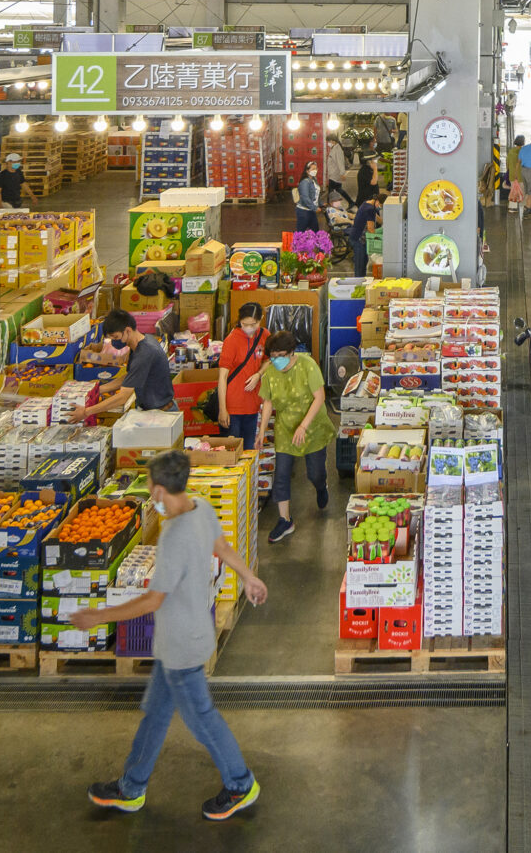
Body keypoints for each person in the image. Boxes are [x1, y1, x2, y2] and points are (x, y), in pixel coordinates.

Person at [74, 449, 268, 821]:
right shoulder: (202, 510)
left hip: (182, 646)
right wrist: (249, 576)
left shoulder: (175, 536)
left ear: (160, 490)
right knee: (156, 714)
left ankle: (241, 784)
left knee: (201, 719)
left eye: (149, 485)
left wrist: (100, 616)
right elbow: (223, 547)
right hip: (180, 638)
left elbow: (151, 600)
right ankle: (131, 788)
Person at [254, 328, 333, 542]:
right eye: (273, 357)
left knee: (314, 472)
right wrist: (262, 431)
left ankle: (321, 485)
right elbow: (268, 402)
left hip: (312, 426)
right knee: (281, 475)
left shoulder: (308, 366)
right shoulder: (271, 372)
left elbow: (319, 398)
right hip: (285, 428)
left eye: (281, 356)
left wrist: (304, 426)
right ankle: (285, 520)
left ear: (291, 352)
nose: (276, 361)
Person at [83, 310, 176, 419]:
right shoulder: (142, 341)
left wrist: (86, 412)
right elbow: (131, 376)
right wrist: (99, 390)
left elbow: (122, 397)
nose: (114, 342)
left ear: (127, 330)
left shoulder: (144, 354)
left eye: (116, 337)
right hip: (152, 411)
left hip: (162, 415)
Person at [216, 303, 268, 449]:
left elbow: (268, 360)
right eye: (245, 324)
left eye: (254, 324)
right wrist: (223, 409)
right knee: (233, 451)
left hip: (252, 405)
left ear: (261, 319)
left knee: (249, 451)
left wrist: (259, 374)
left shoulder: (264, 335)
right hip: (232, 407)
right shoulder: (232, 340)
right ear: (240, 321)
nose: (250, 328)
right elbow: (222, 377)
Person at [351, 192, 382, 278]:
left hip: (358, 238)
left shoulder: (367, 203)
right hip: (359, 240)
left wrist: (384, 223)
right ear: (377, 201)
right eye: (381, 206)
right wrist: (380, 237)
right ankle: (358, 286)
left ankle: (361, 282)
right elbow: (371, 229)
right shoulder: (370, 209)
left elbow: (376, 217)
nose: (380, 208)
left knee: (363, 264)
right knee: (360, 267)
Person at [293, 163, 322, 233]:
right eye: (313, 169)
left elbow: (315, 195)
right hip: (304, 211)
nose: (315, 170)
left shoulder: (314, 180)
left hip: (311, 211)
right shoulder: (305, 182)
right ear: (307, 171)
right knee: (300, 233)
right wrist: (315, 208)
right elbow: (305, 198)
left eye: (316, 169)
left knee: (316, 232)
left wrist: (321, 203)